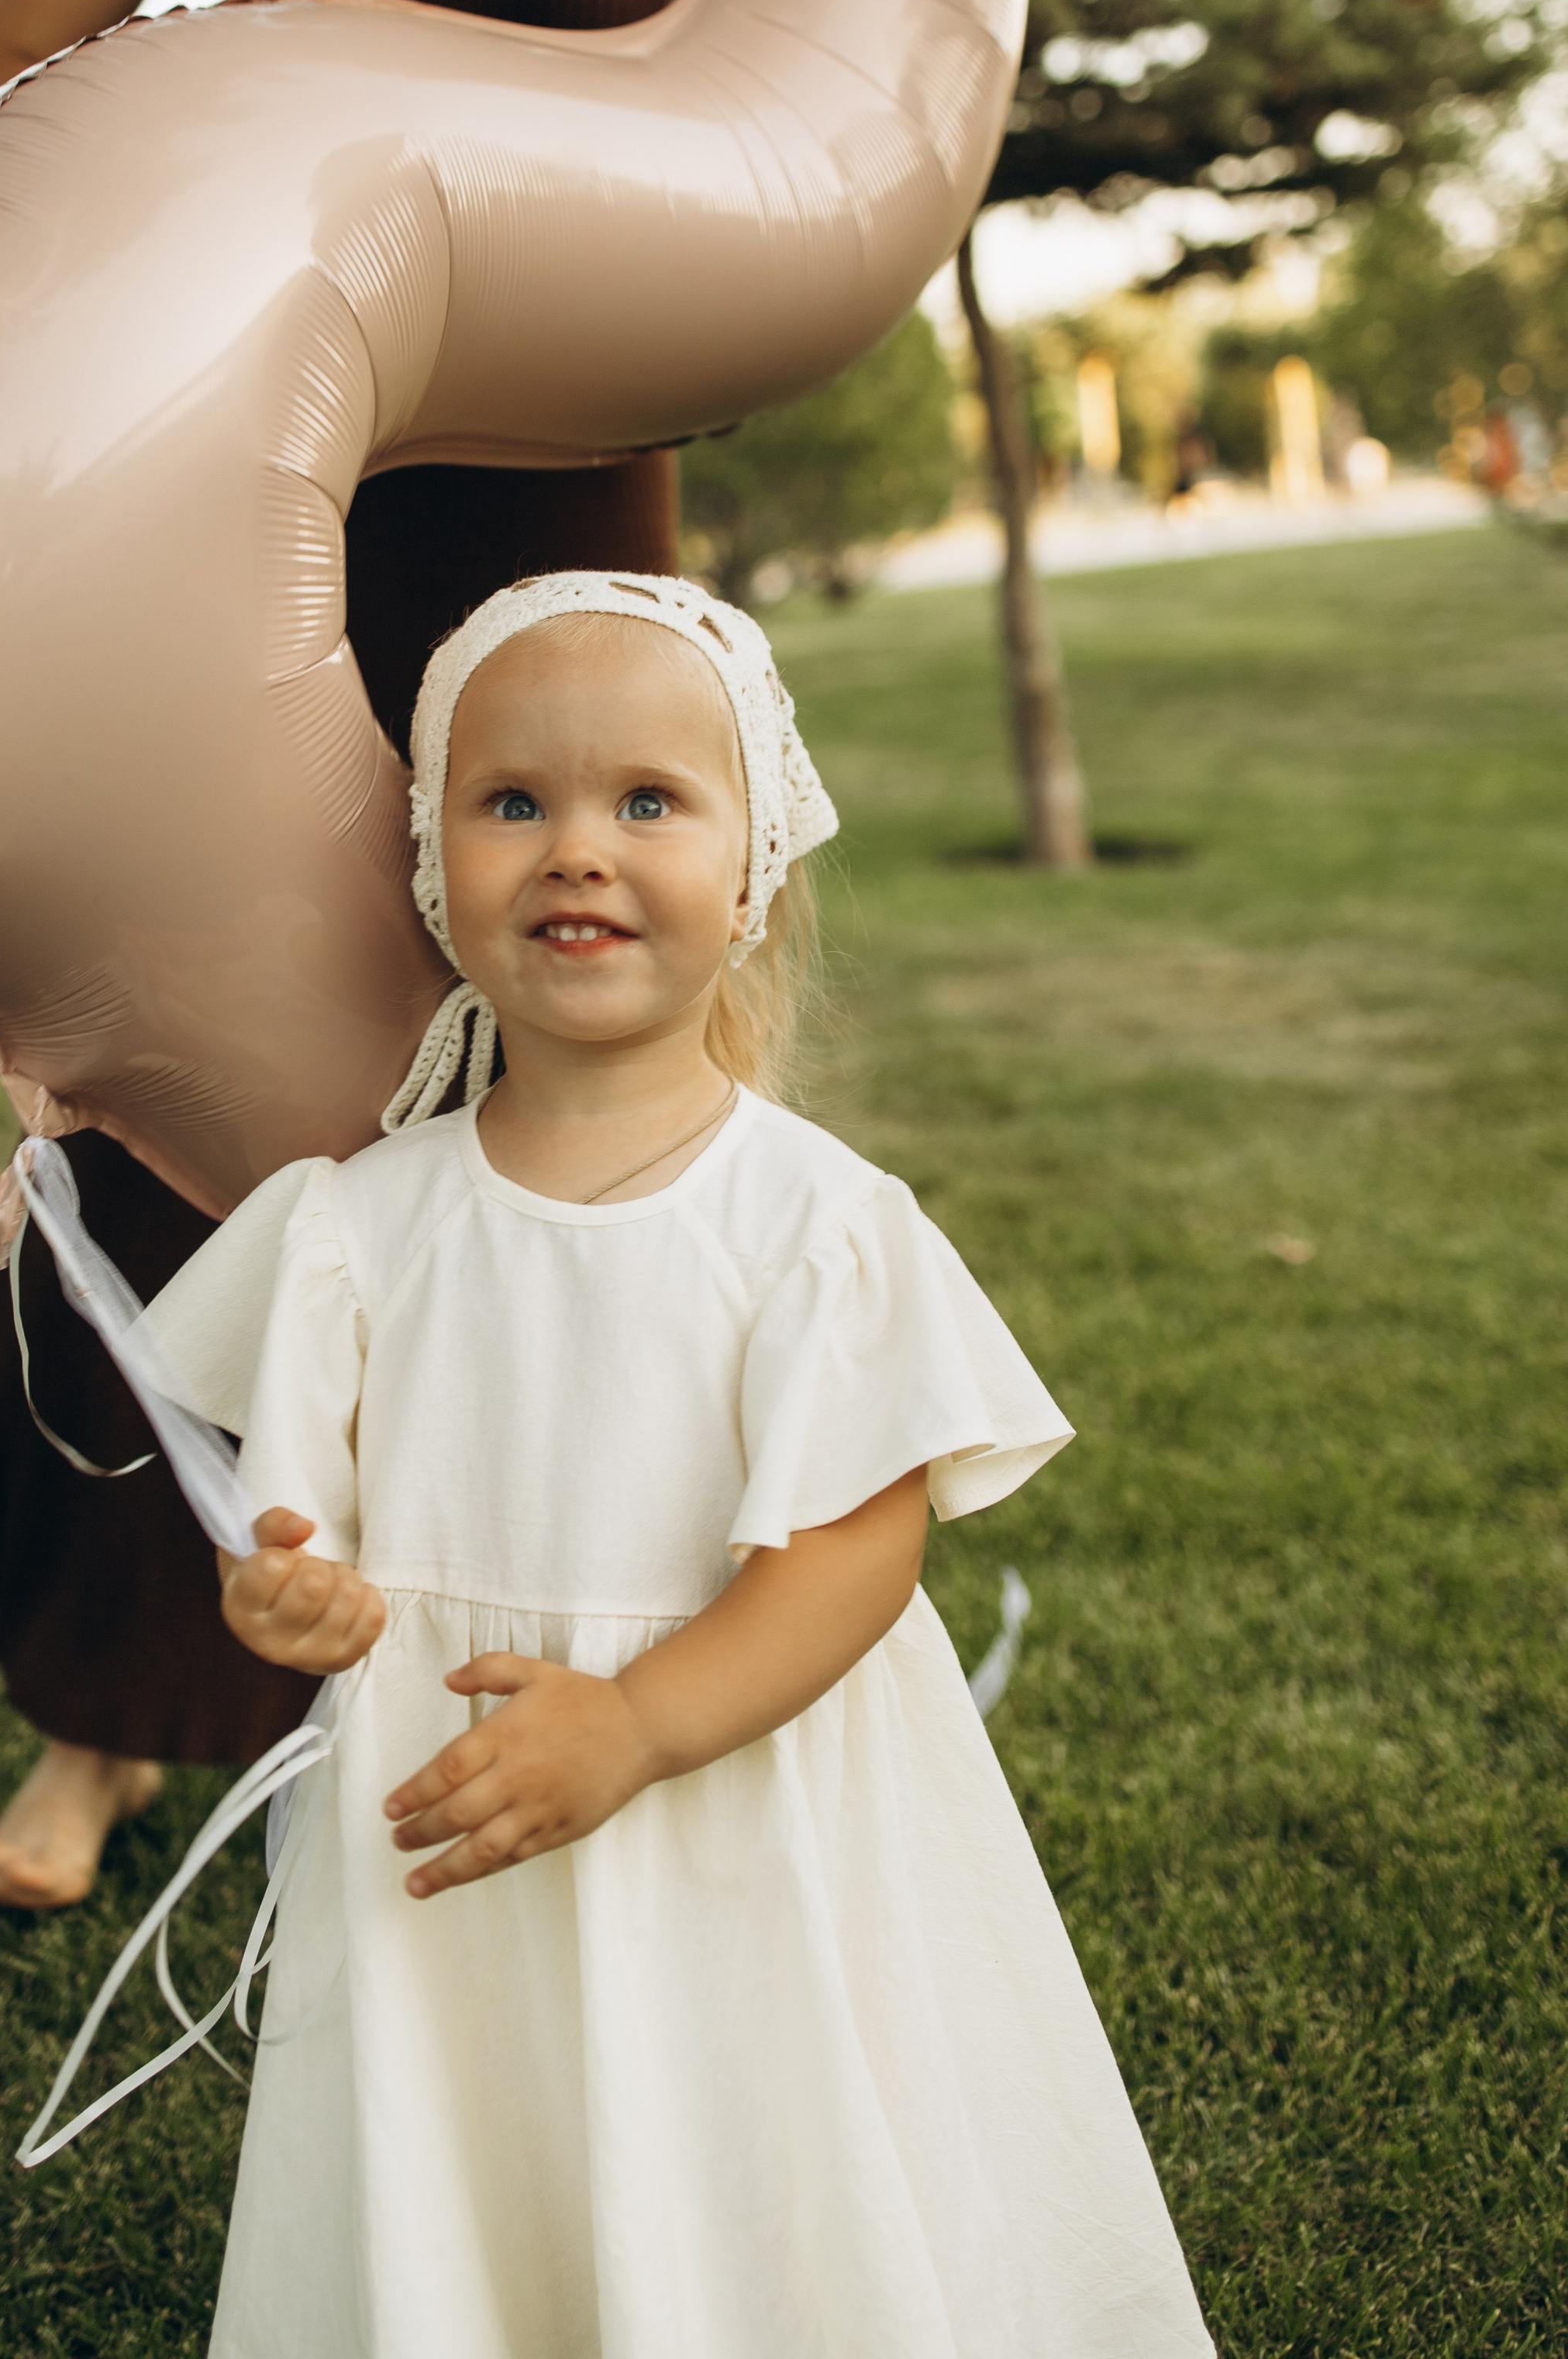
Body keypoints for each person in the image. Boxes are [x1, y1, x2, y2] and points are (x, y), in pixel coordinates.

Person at [0, 0, 694, 1908]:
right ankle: (102, 1732)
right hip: (286, 489)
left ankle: (582, 1654)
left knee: (576, 1055)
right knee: (185, 1089)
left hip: (576, 493)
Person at [129, 569, 1213, 2355]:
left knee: (756, 2159)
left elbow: (854, 1559)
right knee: (494, 2161)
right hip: (455, 1823)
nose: (575, 849)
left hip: (735, 1808)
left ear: (748, 871)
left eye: (645, 801)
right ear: (431, 863)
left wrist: (634, 1726)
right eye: (512, 803)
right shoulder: (354, 1224)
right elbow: (289, 1514)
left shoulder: (813, 1227)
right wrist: (286, 1590)